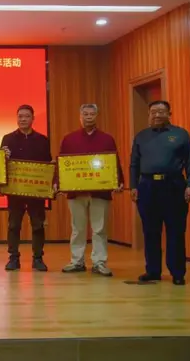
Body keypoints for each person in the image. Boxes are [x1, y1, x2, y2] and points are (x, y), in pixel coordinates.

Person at [130, 101, 190, 286]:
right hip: (147, 187)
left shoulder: (180, 134)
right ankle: (153, 271)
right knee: (150, 230)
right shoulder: (141, 136)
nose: (157, 115)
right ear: (149, 114)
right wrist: (133, 186)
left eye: (161, 111)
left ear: (169, 114)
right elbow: (134, 163)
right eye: (153, 112)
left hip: (174, 186)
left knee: (176, 230)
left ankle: (177, 272)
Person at [59, 104, 123, 277]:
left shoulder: (107, 139)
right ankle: (77, 261)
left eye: (92, 114)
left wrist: (119, 181)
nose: (88, 117)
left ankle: (99, 262)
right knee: (77, 229)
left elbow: (114, 162)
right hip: (76, 192)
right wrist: (59, 182)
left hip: (100, 192)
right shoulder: (69, 139)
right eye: (85, 114)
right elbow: (62, 163)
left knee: (99, 228)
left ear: (97, 116)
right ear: (80, 117)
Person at [0, 105, 52, 271]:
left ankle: (38, 258)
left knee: (38, 225)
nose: (23, 119)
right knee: (14, 225)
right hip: (15, 191)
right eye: (20, 116)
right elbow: (1, 165)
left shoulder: (42, 140)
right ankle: (13, 258)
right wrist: (3, 158)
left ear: (33, 119)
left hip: (36, 192)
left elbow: (47, 165)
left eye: (26, 116)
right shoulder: (7, 139)